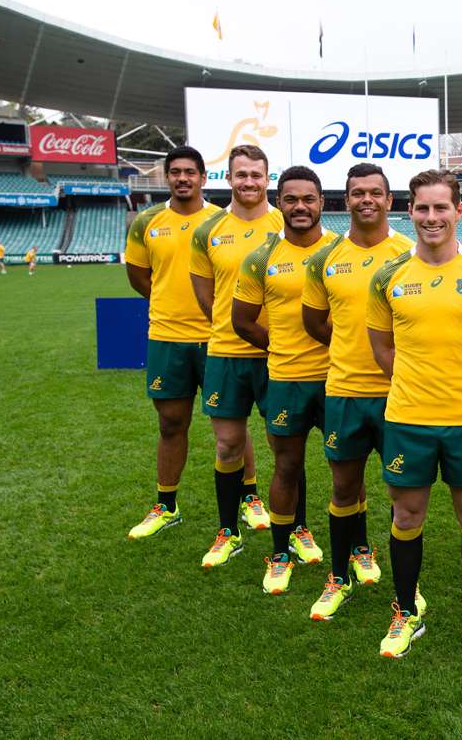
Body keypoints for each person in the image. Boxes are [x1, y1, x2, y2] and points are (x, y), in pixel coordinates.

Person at [366, 169, 462, 658]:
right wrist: (413, 382)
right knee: (407, 514)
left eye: (441, 207)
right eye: (422, 208)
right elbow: (381, 347)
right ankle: (405, 609)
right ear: (409, 212)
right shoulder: (389, 276)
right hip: (407, 418)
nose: (431, 217)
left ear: (459, 211)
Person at [302, 163, 414, 619]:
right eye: (357, 193)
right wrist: (351, 347)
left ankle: (408, 586)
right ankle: (339, 576)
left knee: (403, 494)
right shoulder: (325, 258)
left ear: (389, 200)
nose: (366, 199)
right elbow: (314, 322)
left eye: (374, 192)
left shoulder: (410, 253)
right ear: (344, 200)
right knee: (344, 486)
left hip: (398, 395)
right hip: (344, 391)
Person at [232, 165, 334, 594]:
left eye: (308, 199)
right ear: (279, 203)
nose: (300, 206)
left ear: (322, 203)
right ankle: (279, 554)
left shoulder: (340, 251)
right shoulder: (261, 257)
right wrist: (278, 347)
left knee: (347, 471)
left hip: (337, 380)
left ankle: (358, 549)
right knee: (286, 467)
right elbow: (242, 321)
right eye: (291, 199)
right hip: (287, 379)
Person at [189, 144, 284, 569]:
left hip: (277, 355)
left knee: (283, 447)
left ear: (267, 178)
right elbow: (206, 298)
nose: (249, 182)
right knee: (228, 444)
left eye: (256, 174)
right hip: (226, 352)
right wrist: (232, 327)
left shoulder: (284, 223)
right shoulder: (208, 230)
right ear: (228, 178)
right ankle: (228, 532)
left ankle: (293, 530)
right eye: (241, 174)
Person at [125, 146, 224, 541]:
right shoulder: (146, 221)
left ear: (203, 177)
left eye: (190, 172)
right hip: (166, 337)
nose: (183, 178)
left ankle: (248, 498)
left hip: (216, 339)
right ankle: (166, 505)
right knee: (170, 423)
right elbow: (138, 276)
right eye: (176, 172)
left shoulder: (221, 220)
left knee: (228, 425)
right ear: (167, 177)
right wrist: (169, 301)